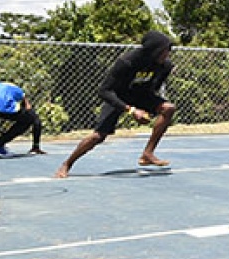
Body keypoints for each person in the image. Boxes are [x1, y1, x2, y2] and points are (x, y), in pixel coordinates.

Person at [54, 31, 176, 178]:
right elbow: (104, 91)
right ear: (153, 51)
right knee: (98, 137)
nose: (167, 54)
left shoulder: (165, 66)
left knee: (168, 108)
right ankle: (67, 163)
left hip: (139, 95)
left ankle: (147, 154)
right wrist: (131, 110)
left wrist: (145, 107)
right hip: (118, 96)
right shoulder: (127, 62)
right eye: (164, 51)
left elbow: (153, 88)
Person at [0, 81, 45, 156]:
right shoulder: (19, 91)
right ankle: (35, 147)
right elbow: (28, 106)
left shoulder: (2, 86)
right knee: (32, 119)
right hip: (7, 109)